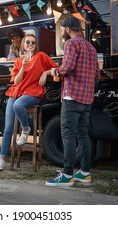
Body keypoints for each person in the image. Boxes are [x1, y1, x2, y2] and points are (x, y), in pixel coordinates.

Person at [46, 16, 100, 186]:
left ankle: (67, 175)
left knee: (68, 134)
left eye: (62, 28)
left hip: (72, 96)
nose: (62, 31)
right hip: (87, 98)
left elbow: (67, 67)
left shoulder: (71, 43)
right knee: (83, 134)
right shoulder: (91, 47)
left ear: (67, 29)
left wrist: (55, 72)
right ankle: (84, 172)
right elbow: (97, 74)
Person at [0, 34, 58, 170]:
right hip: (17, 91)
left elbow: (56, 69)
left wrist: (45, 73)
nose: (30, 44)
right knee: (8, 128)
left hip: (33, 92)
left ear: (35, 45)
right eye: (28, 42)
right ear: (23, 45)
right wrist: (23, 68)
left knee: (18, 105)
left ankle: (26, 129)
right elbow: (16, 82)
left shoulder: (41, 56)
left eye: (33, 42)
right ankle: (2, 159)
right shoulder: (19, 61)